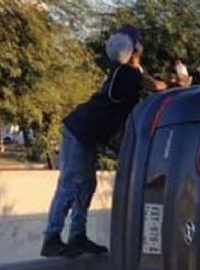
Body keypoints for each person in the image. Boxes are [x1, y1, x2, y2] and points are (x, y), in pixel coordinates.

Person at [41, 26, 166, 257]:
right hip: (79, 131)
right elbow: (155, 86)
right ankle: (51, 238)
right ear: (134, 49)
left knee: (87, 185)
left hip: (86, 134)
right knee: (71, 183)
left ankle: (77, 236)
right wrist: (177, 86)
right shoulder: (127, 75)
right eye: (139, 44)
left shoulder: (124, 72)